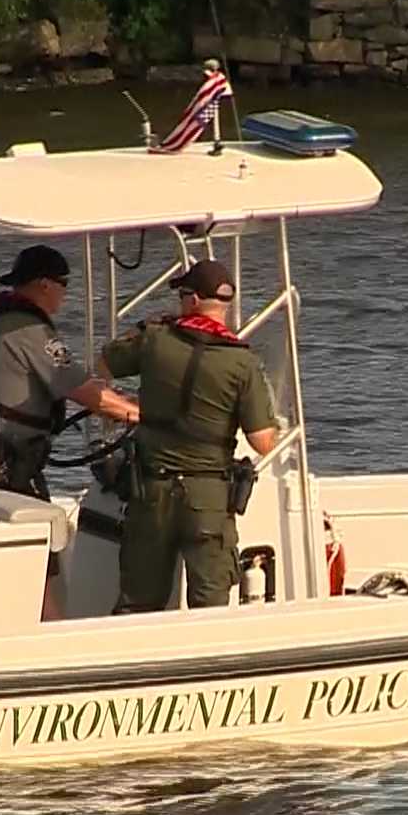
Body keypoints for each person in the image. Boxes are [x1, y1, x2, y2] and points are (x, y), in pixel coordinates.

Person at [100, 259, 280, 612]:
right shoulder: (242, 362)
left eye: (182, 296)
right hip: (208, 498)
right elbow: (263, 441)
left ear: (193, 300)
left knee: (138, 604)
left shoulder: (154, 339)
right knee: (209, 607)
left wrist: (133, 409)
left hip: (152, 492)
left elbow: (102, 366)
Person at [0, 244, 139, 501]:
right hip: (0, 467)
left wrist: (120, 401)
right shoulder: (29, 331)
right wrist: (142, 415)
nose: (66, 294)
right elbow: (89, 395)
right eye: (65, 285)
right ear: (45, 285)